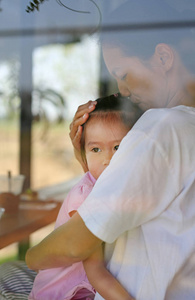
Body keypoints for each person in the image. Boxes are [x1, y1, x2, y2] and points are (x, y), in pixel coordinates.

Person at [1, 1, 195, 299]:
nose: (123, 89)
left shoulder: (161, 128)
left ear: (163, 56)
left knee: (12, 270)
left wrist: (33, 254)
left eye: (123, 74)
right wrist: (87, 162)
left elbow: (70, 246)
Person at [28, 94, 142, 300]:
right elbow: (97, 273)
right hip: (64, 293)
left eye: (118, 147)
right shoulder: (87, 198)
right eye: (95, 149)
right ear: (84, 153)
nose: (107, 159)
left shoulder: (119, 186)